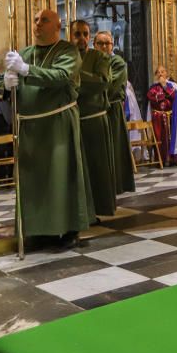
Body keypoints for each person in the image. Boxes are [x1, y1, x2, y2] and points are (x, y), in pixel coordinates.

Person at [4, 9, 94, 248]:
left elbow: (61, 76)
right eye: (35, 19)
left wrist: (25, 71)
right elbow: (13, 80)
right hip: (30, 127)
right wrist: (6, 83)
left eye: (44, 20)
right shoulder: (25, 53)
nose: (37, 24)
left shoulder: (68, 51)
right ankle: (38, 230)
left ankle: (68, 230)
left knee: (60, 178)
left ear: (57, 27)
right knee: (34, 181)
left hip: (57, 124)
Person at [71, 20, 118, 217]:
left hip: (94, 120)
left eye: (85, 34)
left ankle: (100, 208)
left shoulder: (99, 57)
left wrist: (74, 76)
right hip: (73, 121)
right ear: (70, 35)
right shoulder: (65, 57)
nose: (81, 38)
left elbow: (103, 82)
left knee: (96, 168)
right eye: (77, 34)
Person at [95, 31, 136, 194]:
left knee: (114, 147)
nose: (104, 46)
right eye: (101, 43)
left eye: (107, 43)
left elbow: (110, 85)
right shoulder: (90, 61)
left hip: (112, 109)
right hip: (96, 111)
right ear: (94, 45)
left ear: (112, 45)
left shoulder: (117, 62)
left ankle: (117, 183)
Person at [147, 66, 177, 166]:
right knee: (159, 138)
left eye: (162, 72)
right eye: (158, 72)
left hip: (169, 116)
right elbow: (151, 97)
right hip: (158, 116)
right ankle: (160, 160)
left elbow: (173, 96)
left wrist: (164, 86)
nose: (160, 74)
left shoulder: (171, 86)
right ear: (156, 75)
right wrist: (163, 94)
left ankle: (172, 159)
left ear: (166, 74)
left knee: (170, 137)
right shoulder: (153, 87)